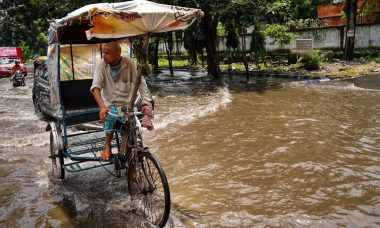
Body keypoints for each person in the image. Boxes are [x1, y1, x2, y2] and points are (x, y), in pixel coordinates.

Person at [90, 41, 153, 161]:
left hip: (126, 103)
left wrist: (146, 101)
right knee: (111, 117)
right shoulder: (101, 65)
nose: (104, 55)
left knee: (133, 129)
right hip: (109, 101)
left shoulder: (129, 63)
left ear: (117, 54)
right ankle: (107, 147)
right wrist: (102, 107)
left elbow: (141, 82)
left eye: (107, 53)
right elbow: (95, 88)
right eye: (104, 52)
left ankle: (132, 157)